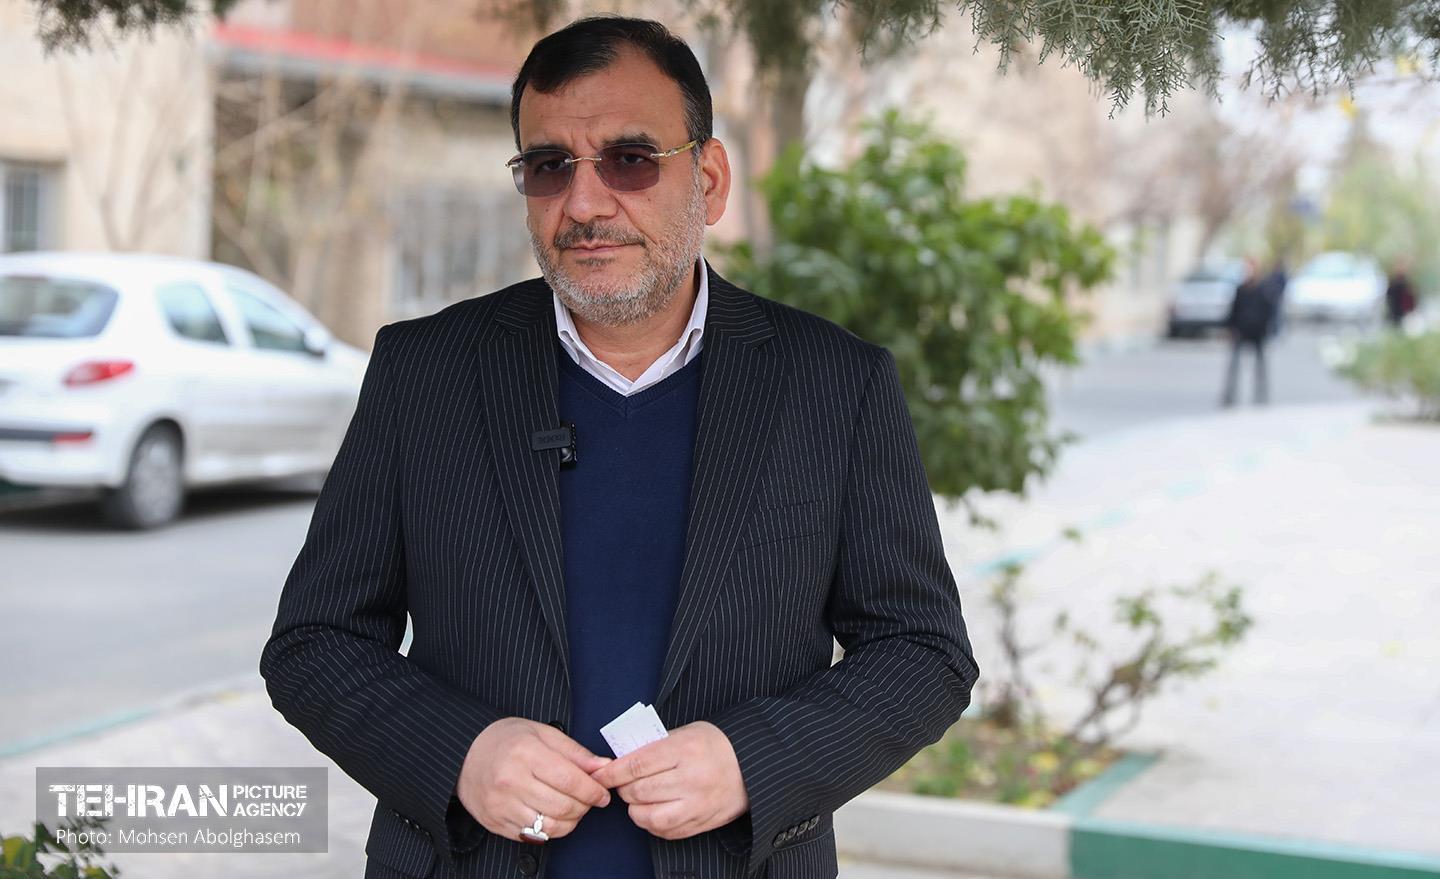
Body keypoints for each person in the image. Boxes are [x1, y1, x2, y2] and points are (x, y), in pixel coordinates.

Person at [259, 16, 978, 879]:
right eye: (549, 166)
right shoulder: (425, 373)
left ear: (709, 180)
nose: (585, 203)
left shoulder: (835, 384)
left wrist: (753, 759)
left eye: (630, 159)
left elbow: (922, 651)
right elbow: (314, 641)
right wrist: (462, 752)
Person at [1220, 257, 1276, 407]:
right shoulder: (1241, 289)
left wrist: (1266, 329)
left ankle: (1261, 395)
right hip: (1241, 330)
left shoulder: (1264, 289)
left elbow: (1269, 311)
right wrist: (1230, 328)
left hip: (1257, 332)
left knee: (1260, 365)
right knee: (1234, 364)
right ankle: (1229, 395)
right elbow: (1234, 311)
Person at [1385, 259, 1417, 329]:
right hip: (1395, 308)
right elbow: (1389, 294)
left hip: (1404, 309)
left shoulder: (1405, 282)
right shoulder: (1394, 281)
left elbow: (1411, 296)